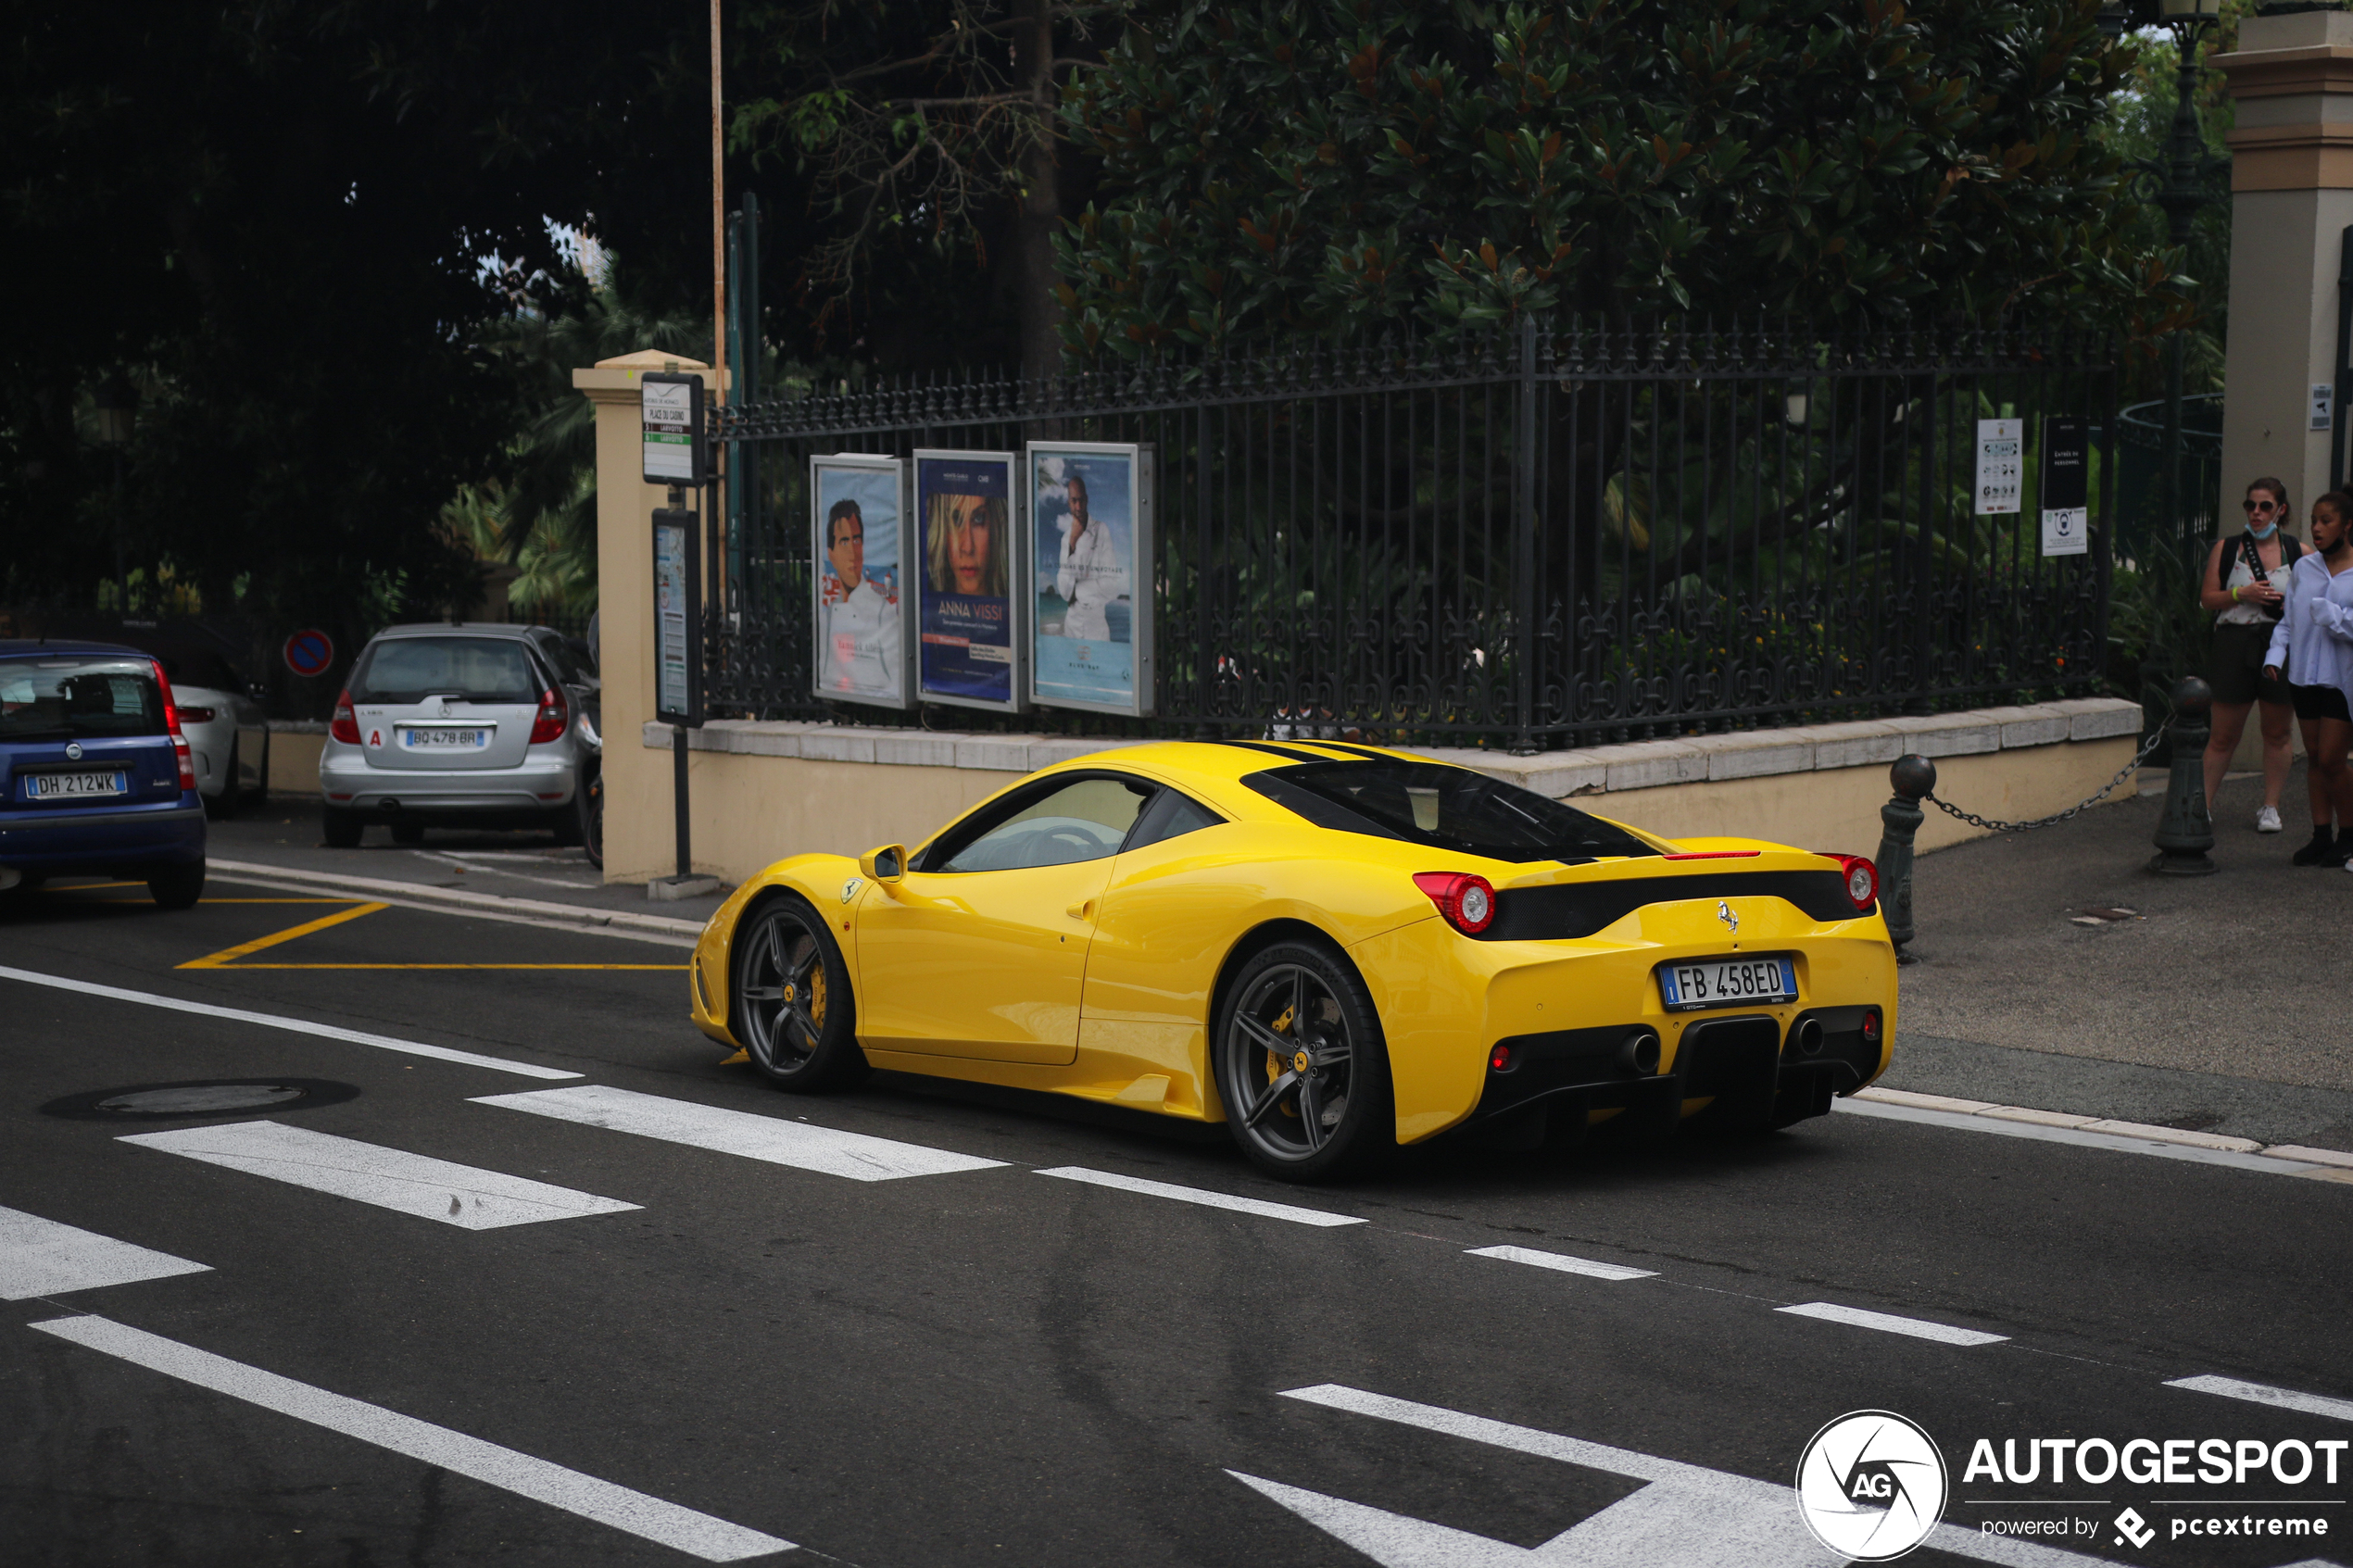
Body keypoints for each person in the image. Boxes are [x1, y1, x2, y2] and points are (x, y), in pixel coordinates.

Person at [2200, 478, 2302, 831]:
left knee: (2277, 731)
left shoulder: (2298, 551)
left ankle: (2270, 807)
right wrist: (2240, 594)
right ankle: (2203, 806)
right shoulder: (2228, 549)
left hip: (2281, 643)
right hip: (2234, 641)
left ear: (2281, 510)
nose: (2256, 513)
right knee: (2223, 734)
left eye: (2265, 507)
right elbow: (2207, 599)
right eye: (2250, 506)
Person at [2263, 490, 2353, 865]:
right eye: (2314, 520)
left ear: (2347, 526)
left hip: (2341, 679)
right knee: (2315, 757)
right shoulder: (2304, 568)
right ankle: (2321, 835)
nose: (2316, 528)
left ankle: (2349, 835)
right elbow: (2288, 621)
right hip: (2303, 676)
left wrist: (2334, 617)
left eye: (2326, 521)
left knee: (2333, 758)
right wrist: (2275, 656)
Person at [818, 497, 901, 696]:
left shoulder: (883, 610)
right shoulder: (829, 613)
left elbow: (892, 679)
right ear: (831, 554)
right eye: (844, 541)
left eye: (856, 540)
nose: (853, 553)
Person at [1055, 473, 1126, 641]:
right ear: (1068, 503)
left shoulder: (1101, 530)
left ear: (1087, 500)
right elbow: (1065, 593)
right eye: (1074, 501)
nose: (1078, 507)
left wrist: (1078, 590)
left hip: (1096, 626)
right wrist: (1073, 542)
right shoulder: (1066, 538)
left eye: (1081, 500)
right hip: (1071, 625)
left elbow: (1112, 585)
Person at [926, 490, 1007, 597]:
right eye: (956, 520)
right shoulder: (926, 609)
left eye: (979, 519)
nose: (968, 548)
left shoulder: (1014, 607)